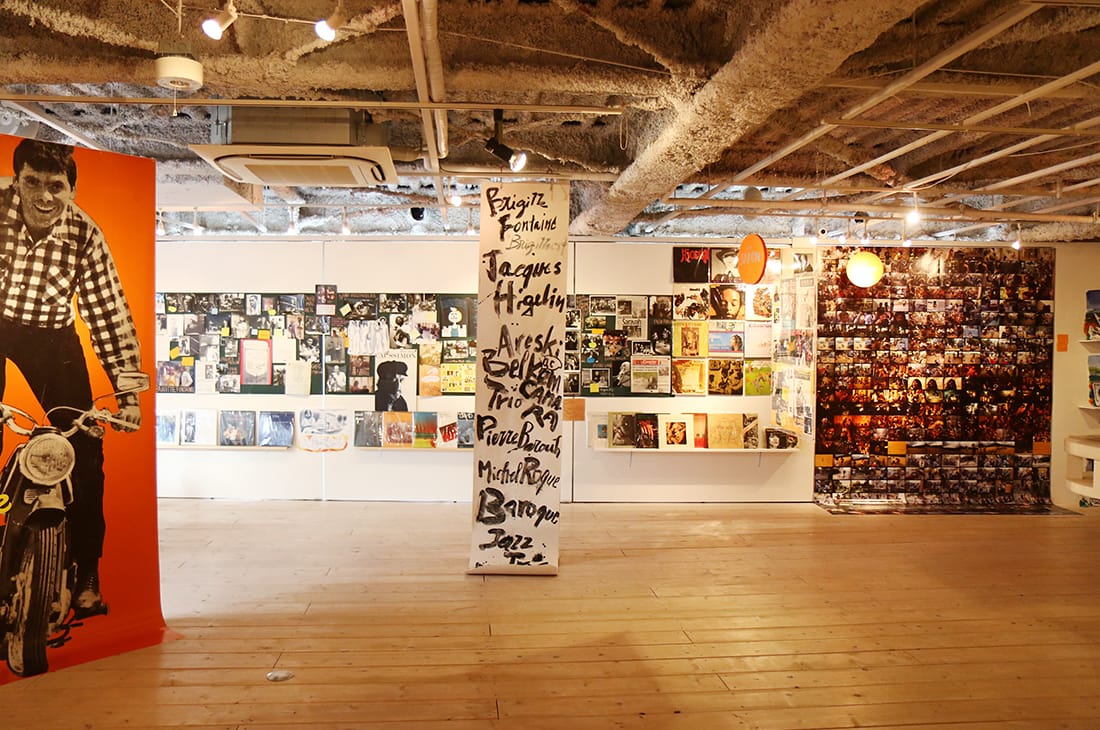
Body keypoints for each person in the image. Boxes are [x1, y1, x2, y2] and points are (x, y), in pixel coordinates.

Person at [0, 138, 142, 616]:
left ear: (72, 190)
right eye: (32, 183)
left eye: (56, 186)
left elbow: (109, 314)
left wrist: (129, 397)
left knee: (84, 446)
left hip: (50, 337)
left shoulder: (84, 234)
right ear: (16, 182)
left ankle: (86, 575)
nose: (44, 197)